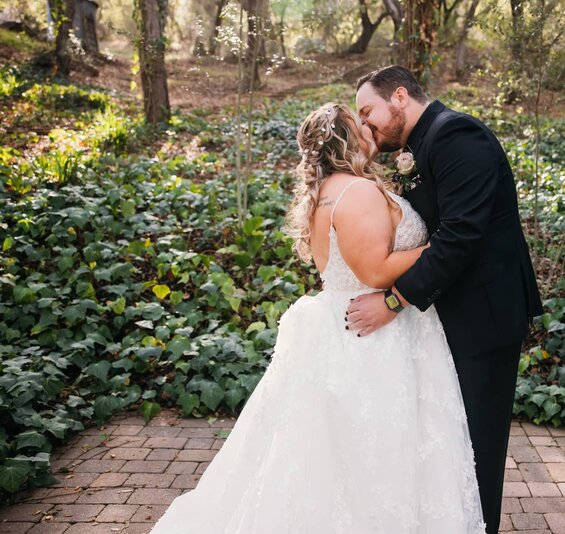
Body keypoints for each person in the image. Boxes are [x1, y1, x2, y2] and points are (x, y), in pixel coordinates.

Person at [147, 102, 487, 533]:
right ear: (347, 139)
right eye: (359, 123)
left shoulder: (326, 191)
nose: (368, 127)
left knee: (333, 458)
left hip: (343, 328)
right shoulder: (357, 192)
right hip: (374, 333)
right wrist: (439, 247)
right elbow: (375, 271)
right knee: (375, 456)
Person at [347, 65, 543, 534]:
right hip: (448, 317)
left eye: (367, 111)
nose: (364, 124)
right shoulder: (419, 144)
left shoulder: (456, 134)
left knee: (477, 446)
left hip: (484, 317)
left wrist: (393, 302)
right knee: (452, 443)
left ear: (399, 96)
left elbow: (460, 237)